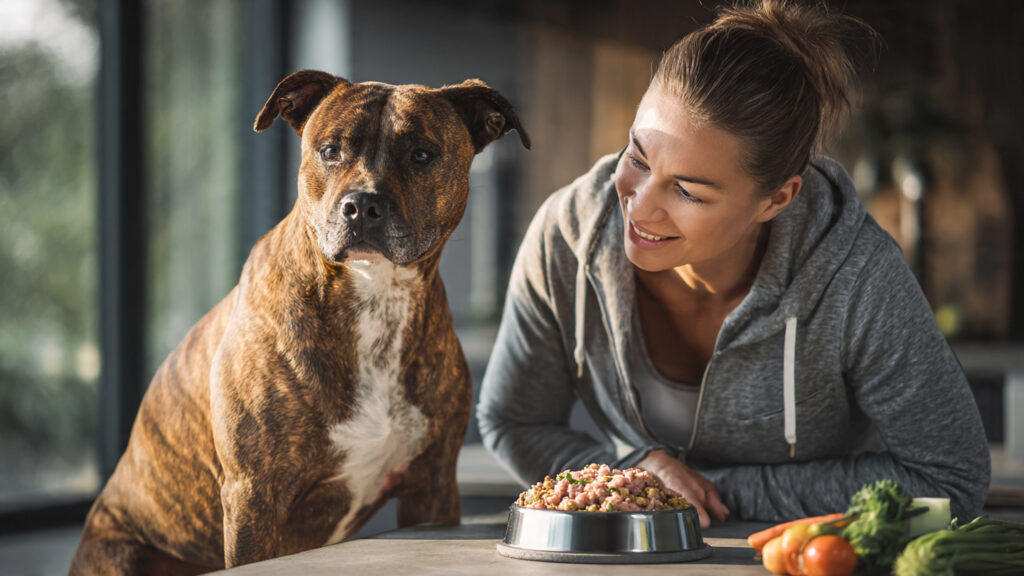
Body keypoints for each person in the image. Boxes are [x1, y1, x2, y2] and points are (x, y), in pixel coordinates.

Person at [476, 0, 990, 527]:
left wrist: (696, 493)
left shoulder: (857, 277)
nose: (639, 203)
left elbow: (952, 482)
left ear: (776, 200)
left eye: (688, 191)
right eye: (637, 157)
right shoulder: (567, 236)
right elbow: (512, 421)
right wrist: (634, 468)